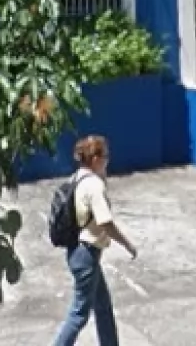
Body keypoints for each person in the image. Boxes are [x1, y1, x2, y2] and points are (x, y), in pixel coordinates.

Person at [53, 134, 137, 346]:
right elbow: (105, 222)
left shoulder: (77, 178)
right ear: (96, 159)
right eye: (105, 156)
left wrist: (102, 176)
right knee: (79, 314)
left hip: (78, 251)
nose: (108, 160)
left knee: (103, 306)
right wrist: (127, 245)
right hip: (87, 255)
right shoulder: (93, 185)